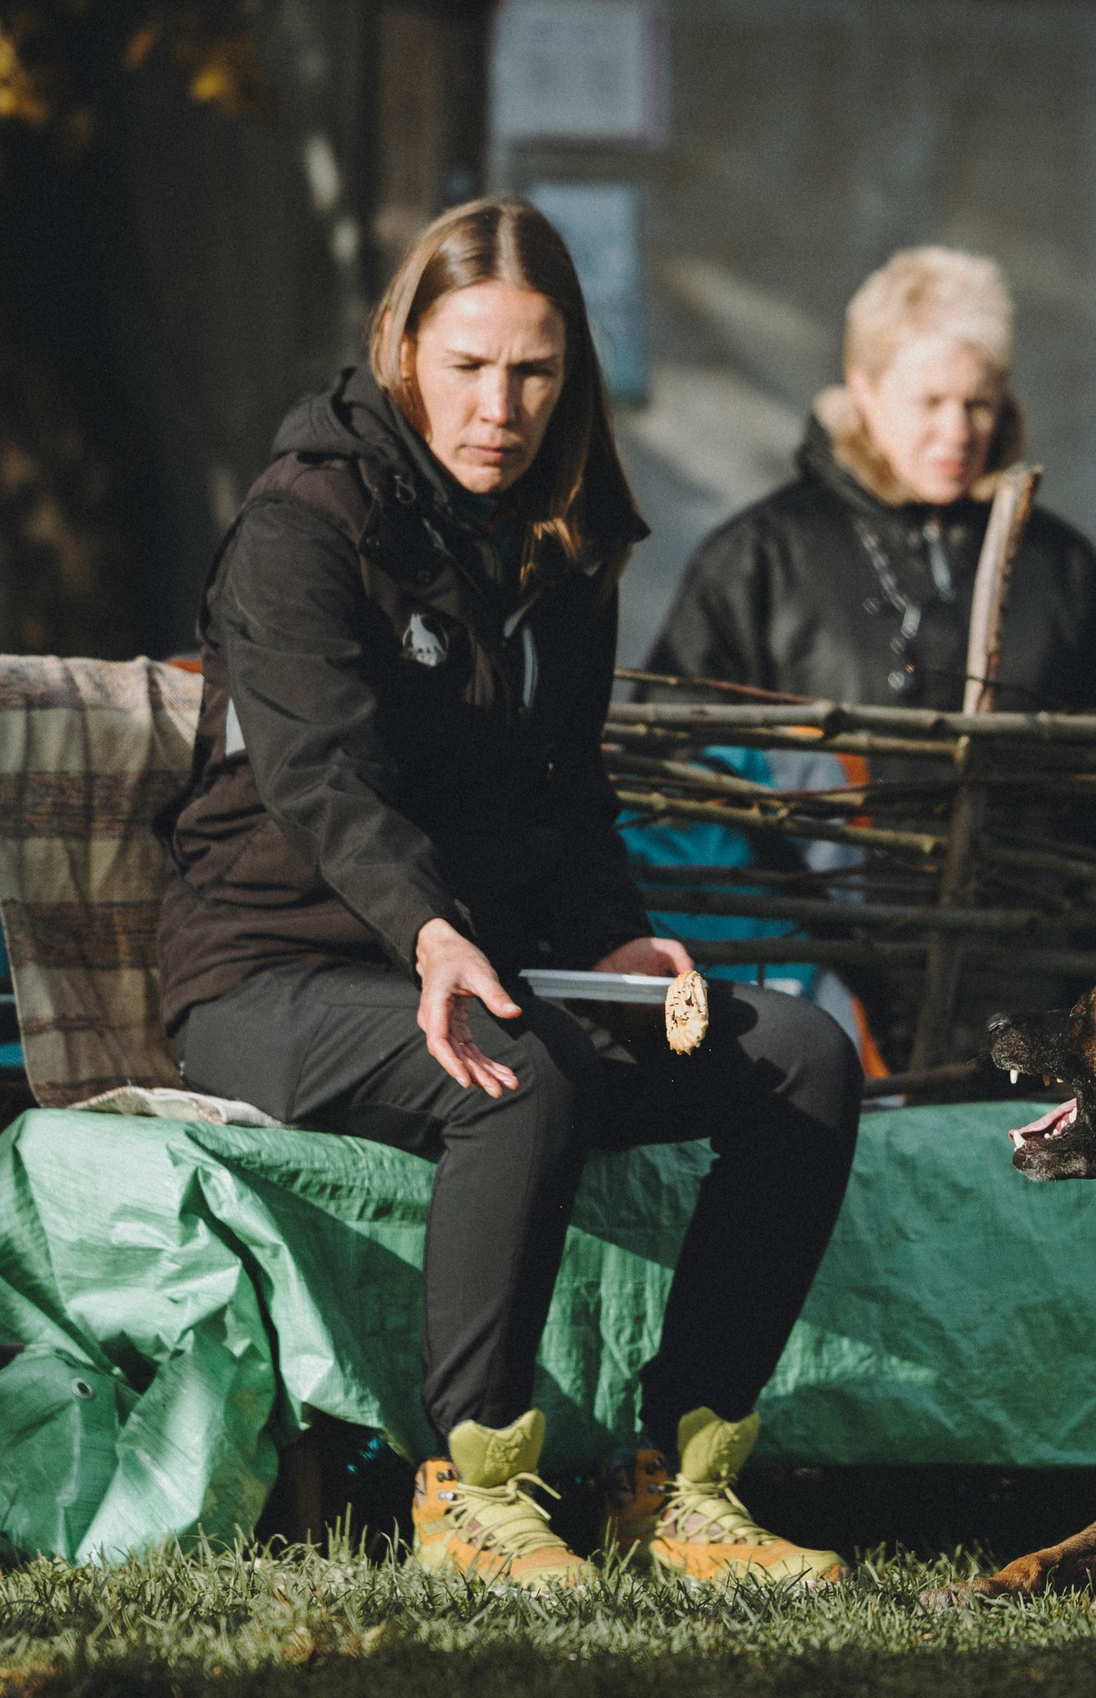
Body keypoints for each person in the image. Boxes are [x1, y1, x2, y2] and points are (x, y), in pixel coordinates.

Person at [156, 199, 859, 1590]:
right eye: (469, 364)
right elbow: (322, 778)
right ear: (403, 349)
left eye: (534, 371)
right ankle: (474, 1488)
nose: (500, 406)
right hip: (271, 972)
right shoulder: (305, 523)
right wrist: (427, 929)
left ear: (571, 376)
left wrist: (619, 932)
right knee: (520, 1070)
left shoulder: (564, 541)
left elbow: (567, 791)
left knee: (800, 1059)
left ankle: (686, 1484)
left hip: (494, 964)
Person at [643, 247, 1096, 1068]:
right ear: (864, 386)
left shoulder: (1058, 567)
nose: (958, 431)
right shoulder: (761, 559)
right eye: (931, 400)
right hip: (815, 981)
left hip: (1022, 984)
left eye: (979, 402)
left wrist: (1079, 930)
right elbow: (678, 771)